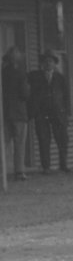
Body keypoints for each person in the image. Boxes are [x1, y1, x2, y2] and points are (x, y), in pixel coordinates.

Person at [26, 51, 69, 173]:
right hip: (41, 112)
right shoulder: (34, 76)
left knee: (62, 139)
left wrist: (66, 112)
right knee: (43, 139)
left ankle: (63, 164)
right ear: (41, 63)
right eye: (46, 61)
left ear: (55, 64)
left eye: (51, 61)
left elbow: (66, 95)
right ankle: (46, 167)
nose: (48, 64)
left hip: (58, 112)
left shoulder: (60, 78)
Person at [2, 47, 27, 178]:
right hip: (19, 113)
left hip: (5, 113)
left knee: (4, 143)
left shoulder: (3, 73)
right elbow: (25, 94)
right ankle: (19, 171)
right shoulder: (21, 74)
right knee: (19, 143)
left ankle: (2, 170)